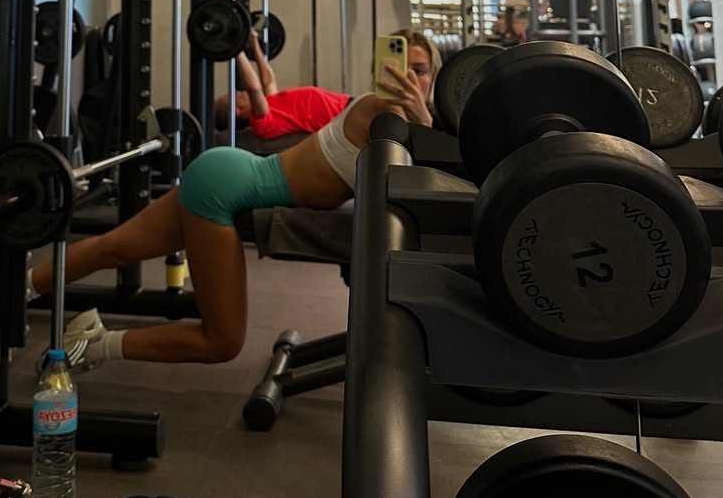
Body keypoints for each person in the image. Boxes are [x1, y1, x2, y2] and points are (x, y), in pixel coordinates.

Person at [29, 30, 436, 369]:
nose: (409, 77)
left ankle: (25, 292)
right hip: (226, 190)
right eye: (401, 66)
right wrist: (424, 118)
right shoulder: (382, 114)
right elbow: (420, 186)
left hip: (223, 172)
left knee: (115, 247)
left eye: (420, 71)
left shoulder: (399, 118)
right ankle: (92, 346)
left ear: (434, 76)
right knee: (221, 342)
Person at [216, 27, 440, 138]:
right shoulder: (264, 121)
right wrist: (236, 50)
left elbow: (266, 78)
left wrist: (253, 42)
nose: (238, 91)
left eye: (419, 70)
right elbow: (254, 86)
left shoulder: (272, 102)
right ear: (236, 111)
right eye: (233, 96)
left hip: (351, 104)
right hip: (349, 113)